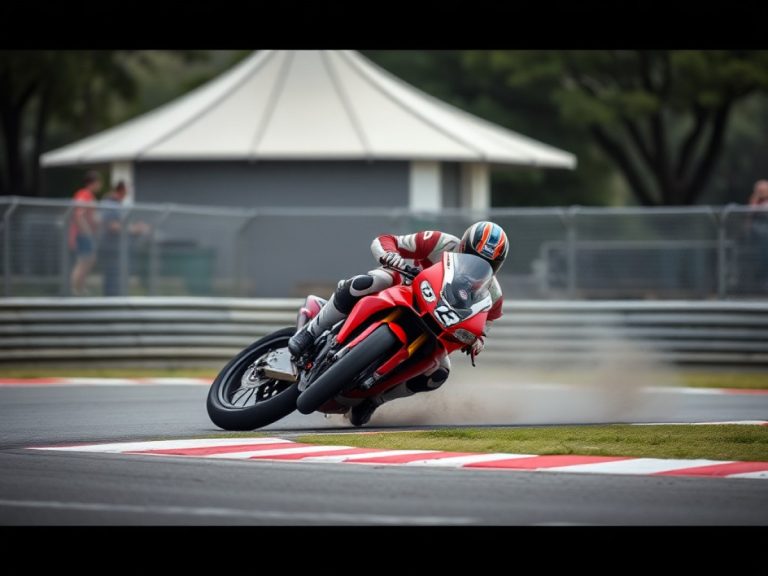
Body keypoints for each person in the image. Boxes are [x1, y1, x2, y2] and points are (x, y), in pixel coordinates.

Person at [288, 221, 508, 426]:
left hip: (440, 326)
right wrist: (391, 256)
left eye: (487, 264)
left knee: (438, 374)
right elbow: (385, 240)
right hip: (407, 286)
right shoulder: (440, 242)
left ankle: (376, 399)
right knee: (368, 281)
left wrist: (477, 341)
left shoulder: (493, 294)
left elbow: (484, 325)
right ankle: (311, 330)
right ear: (462, 247)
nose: (477, 266)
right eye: (472, 256)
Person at [99, 181, 150, 296]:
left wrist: (137, 227)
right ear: (122, 190)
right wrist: (133, 230)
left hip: (119, 247)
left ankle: (117, 296)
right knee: (112, 274)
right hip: (111, 246)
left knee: (119, 274)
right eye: (128, 189)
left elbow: (122, 223)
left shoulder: (119, 204)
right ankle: (111, 298)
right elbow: (112, 225)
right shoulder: (110, 203)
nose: (129, 192)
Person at [68, 171, 102, 296]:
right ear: (92, 183)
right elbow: (79, 215)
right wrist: (87, 232)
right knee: (83, 261)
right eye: (98, 182)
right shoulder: (84, 194)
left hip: (86, 234)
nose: (100, 185)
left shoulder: (89, 196)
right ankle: (75, 289)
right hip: (82, 234)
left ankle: (80, 287)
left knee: (90, 259)